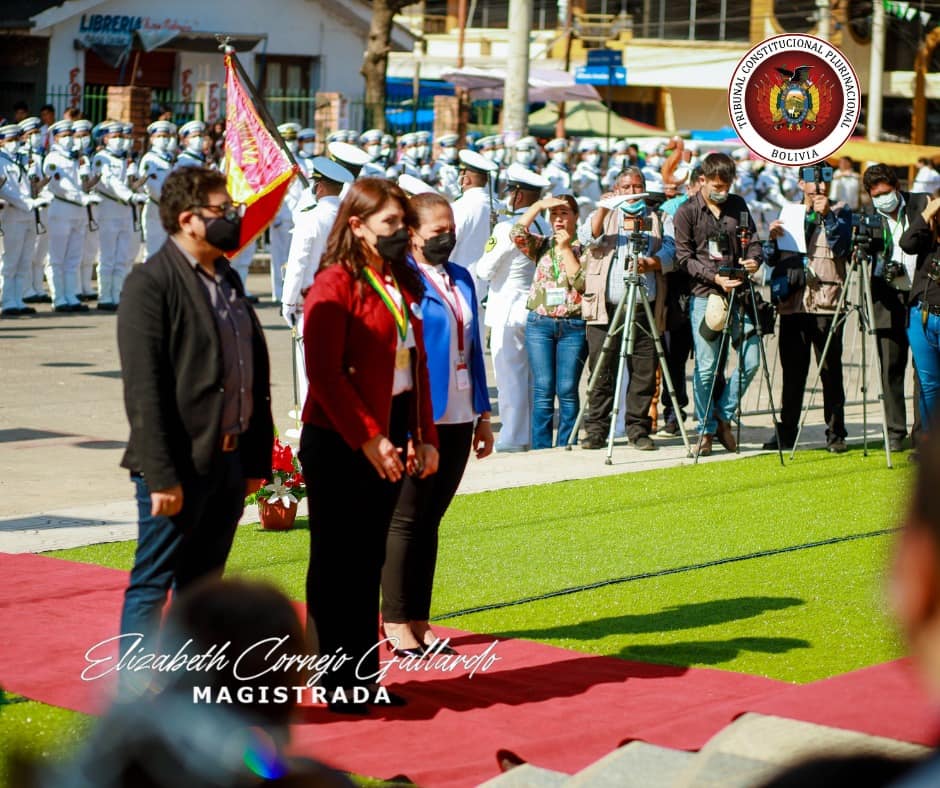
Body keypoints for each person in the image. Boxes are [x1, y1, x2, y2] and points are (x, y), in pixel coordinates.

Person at [116, 166, 273, 662]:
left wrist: (253, 463)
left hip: (226, 461)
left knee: (203, 586)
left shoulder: (224, 274)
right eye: (222, 211)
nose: (233, 218)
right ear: (188, 219)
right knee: (153, 580)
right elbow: (145, 391)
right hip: (178, 466)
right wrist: (162, 476)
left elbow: (248, 370)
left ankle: (191, 687)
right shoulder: (151, 283)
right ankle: (137, 696)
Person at [299, 177, 439, 714]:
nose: (401, 233)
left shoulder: (398, 279)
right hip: (341, 439)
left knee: (367, 560)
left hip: (392, 430)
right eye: (390, 224)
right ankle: (337, 682)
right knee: (339, 562)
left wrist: (422, 436)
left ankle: (362, 676)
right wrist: (369, 437)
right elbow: (326, 376)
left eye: (404, 224)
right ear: (356, 226)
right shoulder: (333, 284)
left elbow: (414, 367)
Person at [381, 191, 493, 656]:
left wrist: (483, 416)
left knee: (431, 521)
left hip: (460, 414)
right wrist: (405, 429)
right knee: (406, 520)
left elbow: (475, 349)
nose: (447, 237)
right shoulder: (401, 282)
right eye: (437, 232)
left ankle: (421, 621)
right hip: (421, 416)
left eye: (451, 230)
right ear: (412, 235)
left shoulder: (462, 277)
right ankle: (394, 621)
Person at [579, 166, 675, 451]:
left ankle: (638, 429)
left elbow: (672, 252)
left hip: (644, 306)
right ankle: (595, 429)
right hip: (606, 307)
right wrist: (603, 210)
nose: (633, 193)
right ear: (617, 189)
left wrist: (650, 263)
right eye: (626, 188)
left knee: (644, 371)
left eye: (637, 187)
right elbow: (587, 240)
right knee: (601, 369)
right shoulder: (606, 214)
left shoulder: (659, 218)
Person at [674, 152, 763, 456]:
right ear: (702, 180)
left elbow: (753, 241)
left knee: (752, 360)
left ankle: (724, 414)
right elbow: (683, 258)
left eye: (726, 186)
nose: (721, 191)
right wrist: (715, 278)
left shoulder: (739, 205)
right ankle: (705, 430)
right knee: (707, 368)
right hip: (705, 296)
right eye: (716, 185)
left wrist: (754, 260)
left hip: (739, 294)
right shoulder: (687, 212)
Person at [763, 165, 853, 452]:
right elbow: (770, 258)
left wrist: (827, 215)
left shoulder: (841, 211)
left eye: (824, 180)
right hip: (792, 304)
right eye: (812, 181)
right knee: (792, 375)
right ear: (801, 183)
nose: (818, 187)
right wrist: (771, 239)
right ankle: (786, 433)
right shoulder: (789, 212)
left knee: (830, 372)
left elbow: (842, 247)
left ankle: (836, 434)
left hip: (827, 304)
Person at [477, 165, 552, 452]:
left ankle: (512, 436)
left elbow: (484, 270)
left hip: (508, 309)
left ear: (518, 196)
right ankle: (530, 435)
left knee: (509, 378)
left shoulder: (506, 227)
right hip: (534, 306)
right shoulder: (543, 225)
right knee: (532, 379)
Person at [512, 192, 587, 449]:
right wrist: (538, 205)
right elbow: (517, 234)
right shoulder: (541, 244)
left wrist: (566, 249)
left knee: (567, 389)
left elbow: (582, 283)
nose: (558, 219)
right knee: (543, 389)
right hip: (540, 324)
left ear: (576, 217)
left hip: (573, 326)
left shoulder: (587, 248)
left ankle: (568, 444)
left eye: (564, 213)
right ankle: (541, 448)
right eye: (554, 214)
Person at [281, 156, 354, 408]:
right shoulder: (350, 220)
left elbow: (298, 263)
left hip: (312, 301)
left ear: (319, 187)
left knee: (308, 373)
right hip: (345, 300)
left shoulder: (311, 218)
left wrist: (288, 303)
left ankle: (308, 427)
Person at [864, 163, 923, 452]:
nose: (882, 200)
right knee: (891, 369)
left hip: (921, 294)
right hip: (886, 299)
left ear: (896, 188)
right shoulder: (866, 217)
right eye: (876, 196)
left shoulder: (921, 204)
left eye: (886, 193)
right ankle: (895, 432)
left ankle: (922, 435)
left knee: (923, 371)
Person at [44, 119, 99, 312]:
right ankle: (58, 298)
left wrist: (86, 173)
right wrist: (80, 197)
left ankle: (71, 295)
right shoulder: (53, 159)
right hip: (62, 210)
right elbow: (59, 186)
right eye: (64, 135)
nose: (68, 139)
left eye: (70, 135)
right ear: (56, 138)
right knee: (57, 257)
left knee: (74, 257)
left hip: (79, 212)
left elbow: (85, 183)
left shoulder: (77, 157)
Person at [93, 120, 147, 311]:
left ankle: (119, 293)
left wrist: (137, 181)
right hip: (109, 212)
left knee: (123, 256)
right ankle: (105, 296)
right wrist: (130, 195)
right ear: (105, 139)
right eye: (115, 137)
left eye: (122, 137)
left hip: (126, 212)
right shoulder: (101, 159)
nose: (120, 141)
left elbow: (133, 183)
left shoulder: (126, 159)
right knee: (108, 256)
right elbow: (111, 182)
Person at [899, 194, 940, 438]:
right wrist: (928, 211)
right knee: (929, 385)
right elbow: (906, 243)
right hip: (921, 317)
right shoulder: (927, 236)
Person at [0, 123, 46, 317]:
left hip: (28, 215)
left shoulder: (24, 159)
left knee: (24, 260)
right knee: (9, 261)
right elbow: (6, 191)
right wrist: (27, 202)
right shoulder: (1, 161)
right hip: (12, 215)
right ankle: (6, 300)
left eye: (16, 140)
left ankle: (18, 299)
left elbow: (31, 185)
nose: (14, 144)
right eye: (9, 140)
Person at [138, 120, 177, 257]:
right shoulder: (149, 159)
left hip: (170, 211)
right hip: (155, 209)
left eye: (166, 136)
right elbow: (151, 186)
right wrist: (169, 201)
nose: (163, 140)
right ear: (152, 139)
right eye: (159, 136)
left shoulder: (171, 158)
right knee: (152, 252)